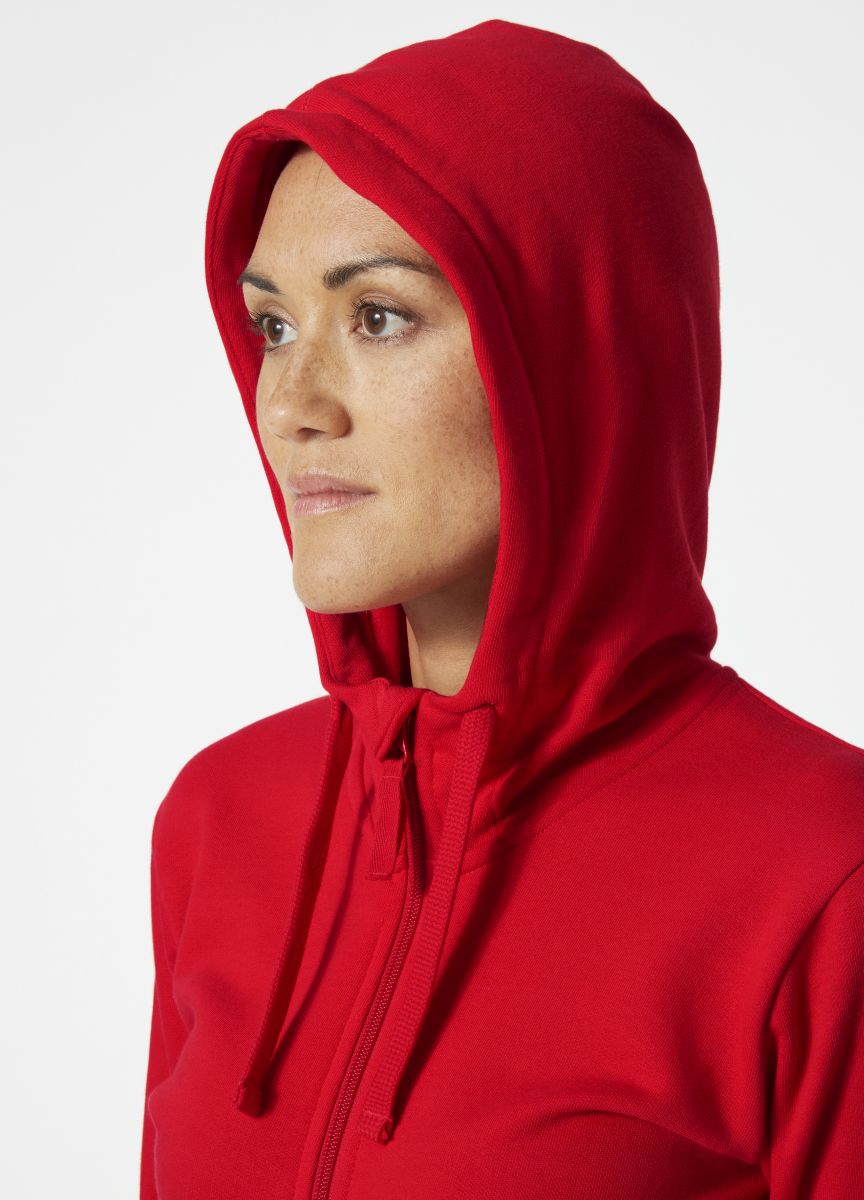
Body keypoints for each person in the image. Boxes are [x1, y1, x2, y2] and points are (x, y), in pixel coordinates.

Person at [140, 18, 864, 1200]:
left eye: (378, 316)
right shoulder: (221, 819)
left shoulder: (826, 874)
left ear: (579, 349)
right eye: (273, 326)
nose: (292, 405)